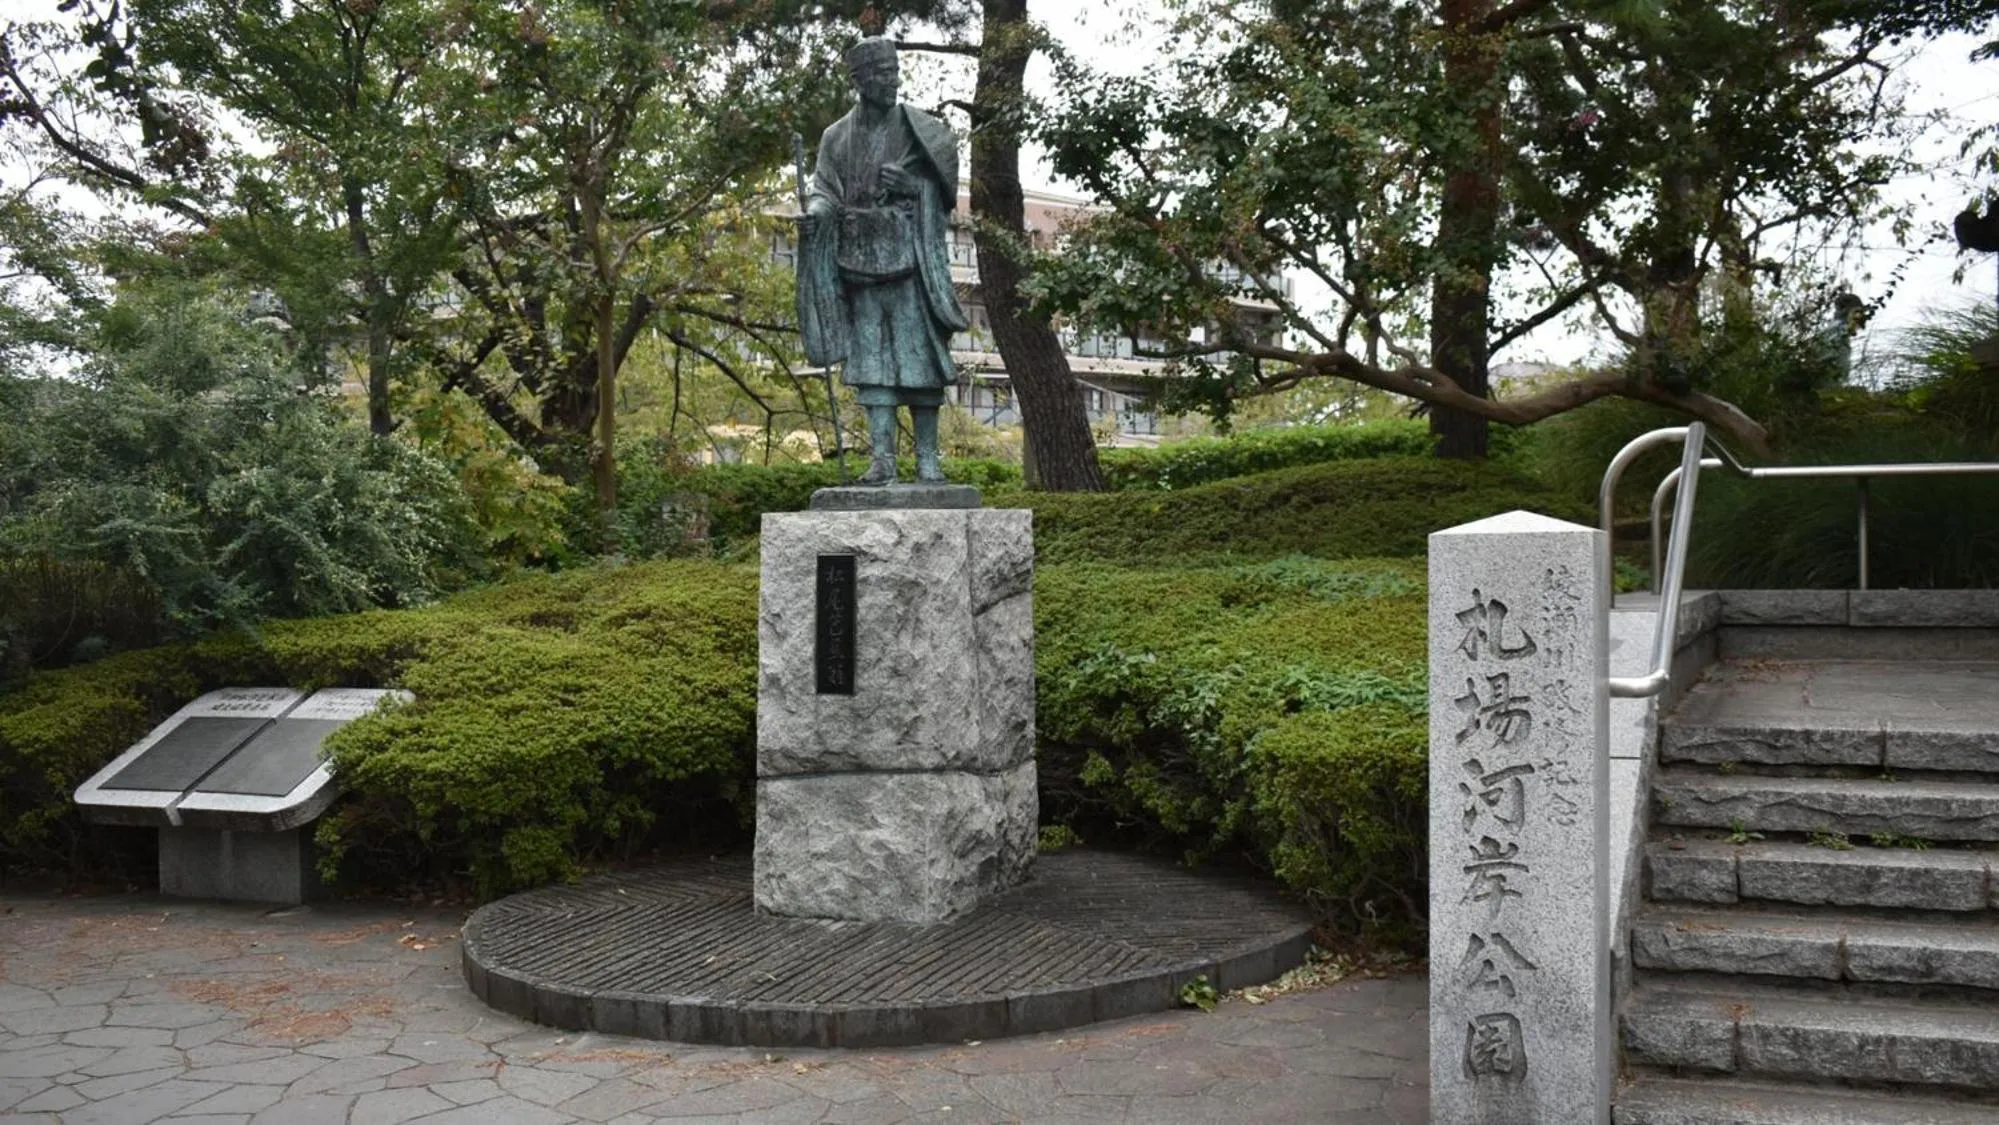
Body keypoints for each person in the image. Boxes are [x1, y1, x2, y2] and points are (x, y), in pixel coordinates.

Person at [796, 37, 968, 486]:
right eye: (880, 75)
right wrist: (815, 217)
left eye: (894, 73)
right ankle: (882, 461)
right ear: (859, 81)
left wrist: (914, 187)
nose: (890, 82)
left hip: (909, 262)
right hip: (860, 262)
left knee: (921, 363)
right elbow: (825, 192)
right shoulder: (836, 136)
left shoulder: (918, 130)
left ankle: (928, 458)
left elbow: (944, 190)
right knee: (871, 362)